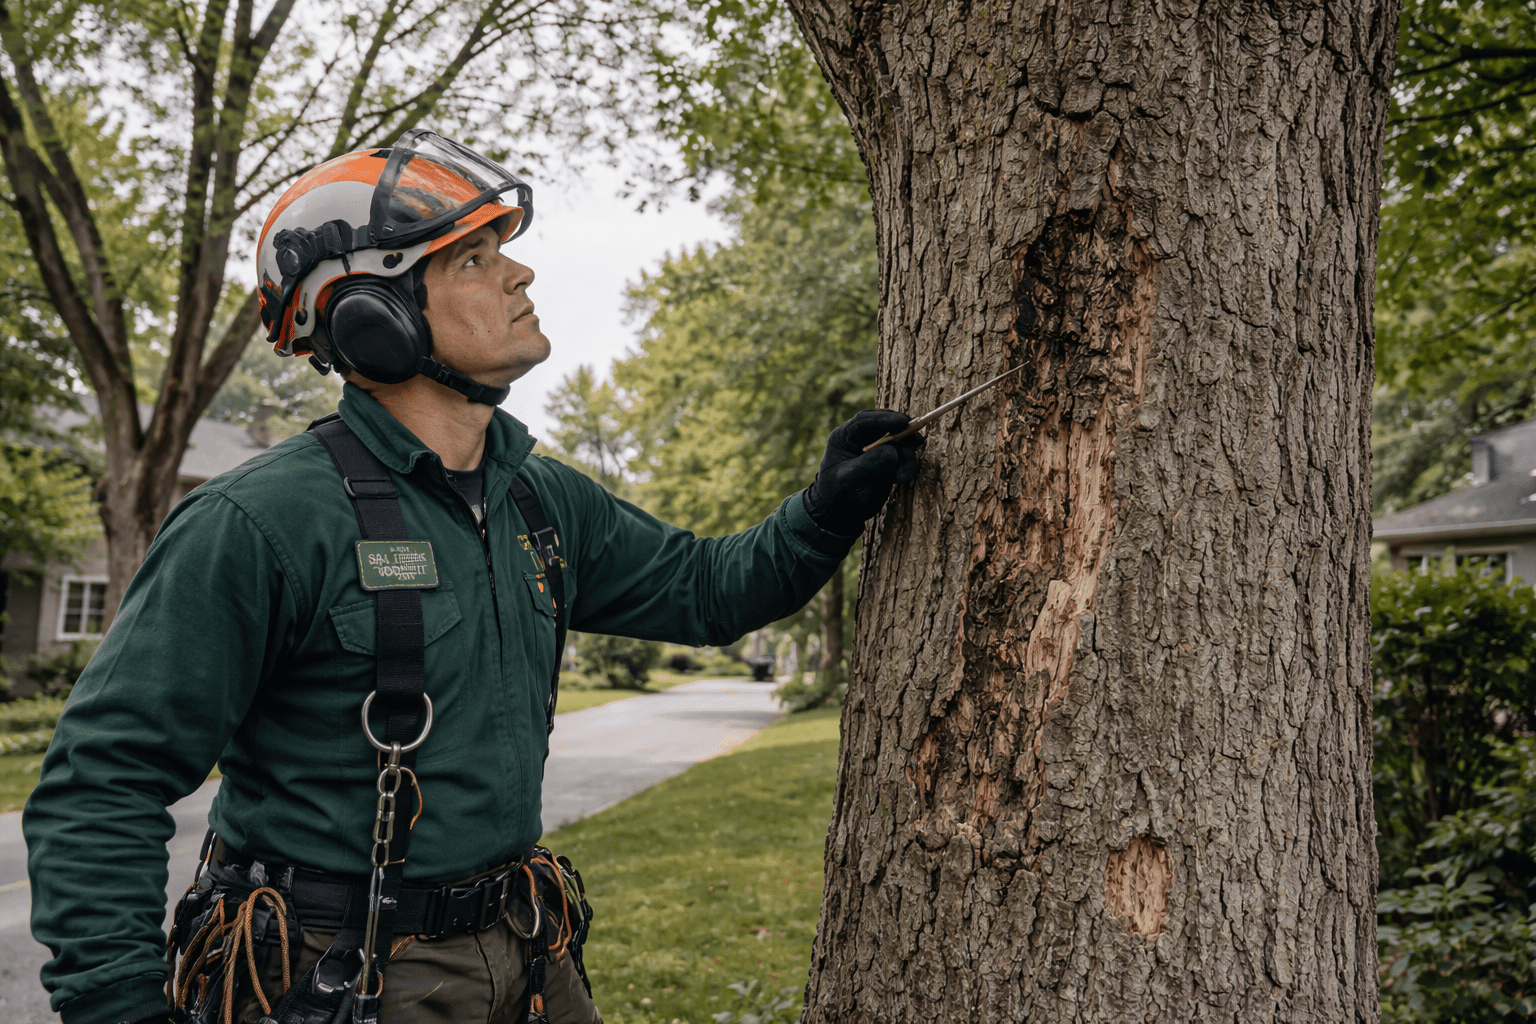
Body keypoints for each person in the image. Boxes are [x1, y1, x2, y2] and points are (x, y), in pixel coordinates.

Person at [22, 130, 923, 1024]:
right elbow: (105, 778)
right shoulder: (260, 521)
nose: (520, 274)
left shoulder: (539, 497)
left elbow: (708, 592)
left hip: (524, 946)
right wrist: (117, 1006)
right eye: (475, 259)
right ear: (372, 318)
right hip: (329, 971)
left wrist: (825, 511)